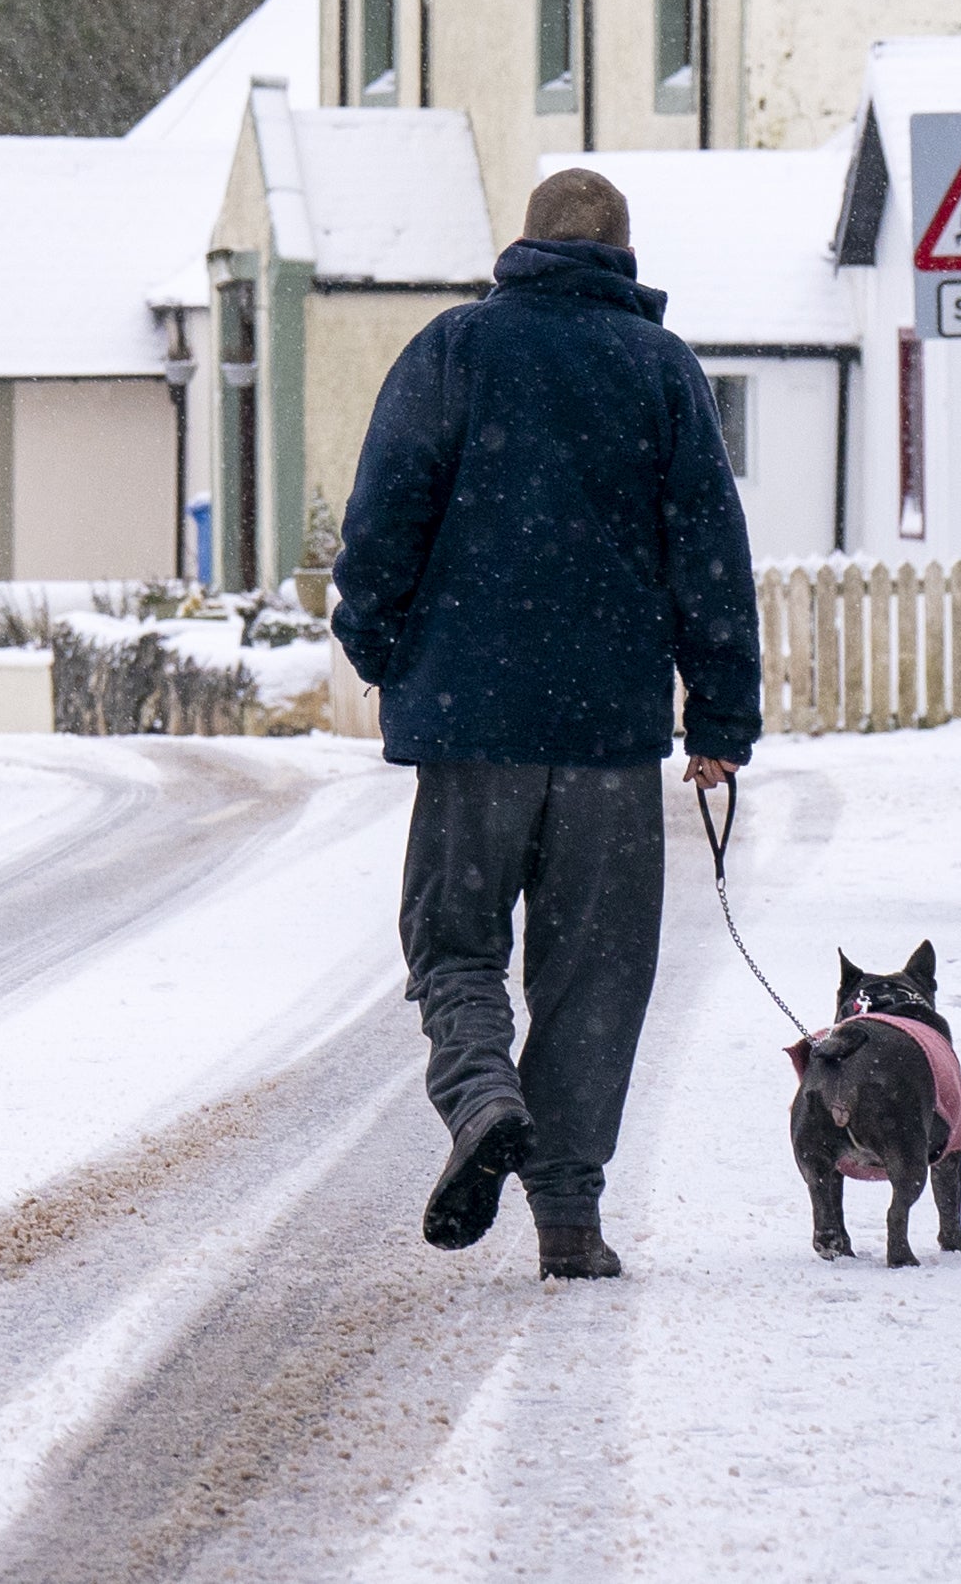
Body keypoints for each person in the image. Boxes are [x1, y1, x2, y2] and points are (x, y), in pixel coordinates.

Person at [327, 162, 762, 1281]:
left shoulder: (454, 351)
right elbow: (710, 553)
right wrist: (718, 712)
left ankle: (482, 1101)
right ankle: (567, 1215)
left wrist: (379, 644)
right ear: (624, 258)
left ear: (519, 248)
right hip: (610, 734)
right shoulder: (660, 369)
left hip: (472, 726)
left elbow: (383, 513)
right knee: (597, 969)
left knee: (455, 941)